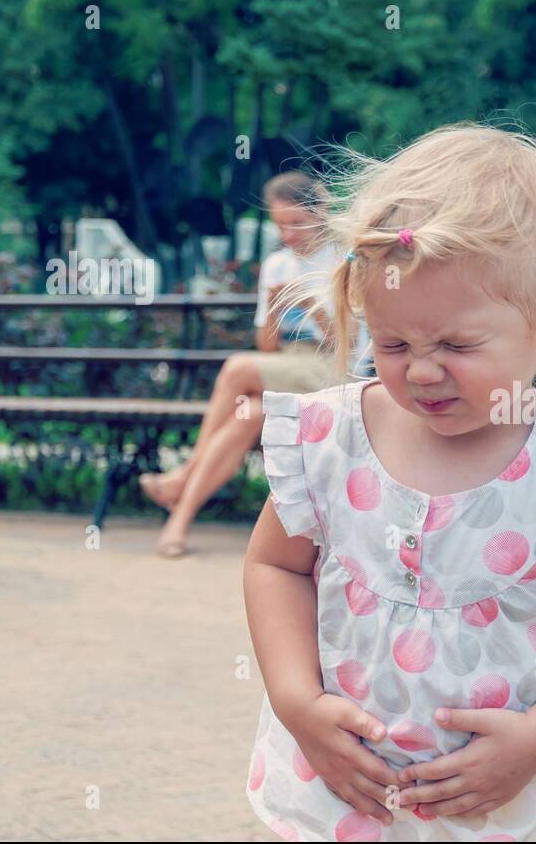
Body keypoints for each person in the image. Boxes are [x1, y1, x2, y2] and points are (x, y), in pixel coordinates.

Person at [242, 122, 536, 841]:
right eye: (394, 342)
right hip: (352, 796)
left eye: (457, 344)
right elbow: (274, 566)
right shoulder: (329, 438)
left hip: (518, 804)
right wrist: (297, 703)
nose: (422, 369)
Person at [138, 171, 370, 557]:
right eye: (281, 225)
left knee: (236, 368)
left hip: (335, 369)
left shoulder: (343, 258)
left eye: (297, 223)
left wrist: (308, 303)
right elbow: (266, 346)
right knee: (248, 414)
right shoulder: (278, 264)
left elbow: (346, 346)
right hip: (292, 366)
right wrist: (277, 308)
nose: (289, 235)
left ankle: (183, 476)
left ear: (321, 213)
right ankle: (178, 522)